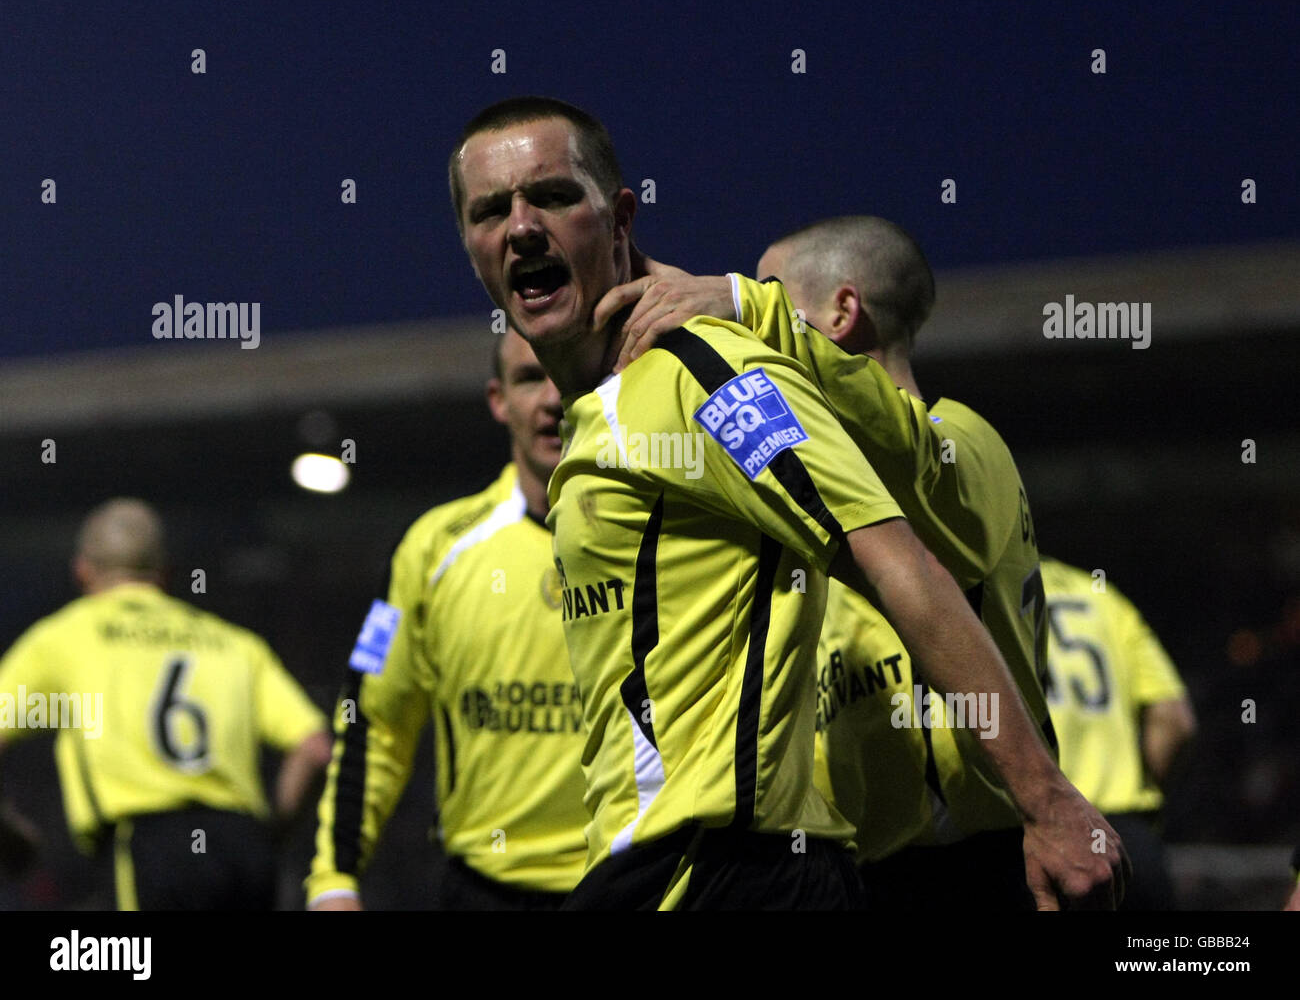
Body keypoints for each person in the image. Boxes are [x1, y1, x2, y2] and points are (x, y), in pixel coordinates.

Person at [450, 95, 1124, 909]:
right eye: (491, 210)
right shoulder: (608, 412)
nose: (521, 226)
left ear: (620, 217)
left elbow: (895, 555)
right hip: (694, 866)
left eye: (552, 195)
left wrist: (1048, 801)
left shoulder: (704, 376)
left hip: (755, 868)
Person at [604, 216, 1063, 909]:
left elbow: (903, 448)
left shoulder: (963, 443)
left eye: (770, 295)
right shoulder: (807, 492)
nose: (741, 323)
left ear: (842, 313)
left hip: (982, 865)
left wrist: (744, 305)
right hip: (857, 871)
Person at [306, 329, 589, 910]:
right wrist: (333, 877)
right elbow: (374, 722)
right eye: (530, 378)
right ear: (498, 399)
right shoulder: (433, 548)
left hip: (642, 885)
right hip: (486, 892)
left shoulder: (666, 535)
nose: (553, 398)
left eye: (568, 373)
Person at [0, 498, 330, 910]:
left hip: (150, 845)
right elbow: (315, 748)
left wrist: (7, 831)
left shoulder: (65, 638)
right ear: (167, 573)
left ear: (82, 570)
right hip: (244, 847)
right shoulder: (236, 644)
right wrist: (273, 832)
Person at [1041, 554, 1196, 909]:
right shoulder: (1104, 597)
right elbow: (1175, 719)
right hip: (1126, 841)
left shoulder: (981, 584)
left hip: (1043, 834)